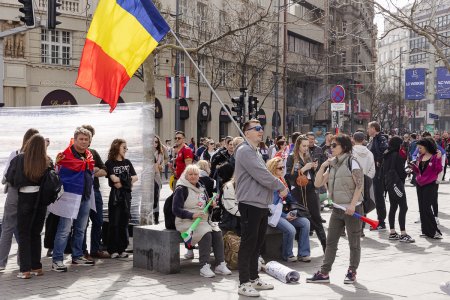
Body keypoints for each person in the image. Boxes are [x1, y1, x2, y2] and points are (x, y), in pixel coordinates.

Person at [234, 119, 288, 297]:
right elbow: (262, 174)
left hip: (260, 203)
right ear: (246, 132)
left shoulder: (255, 151)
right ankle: (243, 282)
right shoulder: (244, 150)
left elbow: (263, 175)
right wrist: (280, 185)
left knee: (257, 243)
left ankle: (253, 278)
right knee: (248, 243)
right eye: (256, 128)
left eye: (261, 128)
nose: (260, 131)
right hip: (250, 202)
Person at [308, 134, 364, 284]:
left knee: (354, 243)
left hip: (353, 210)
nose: (331, 148)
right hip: (337, 209)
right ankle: (324, 273)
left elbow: (360, 184)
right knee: (331, 242)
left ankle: (352, 271)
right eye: (330, 145)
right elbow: (317, 183)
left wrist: (352, 205)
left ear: (344, 147)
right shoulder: (333, 164)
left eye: (334, 146)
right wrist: (323, 165)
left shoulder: (353, 162)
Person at [49, 127, 96, 272]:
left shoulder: (89, 155)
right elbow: (57, 175)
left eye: (86, 139)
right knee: (64, 229)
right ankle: (57, 260)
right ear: (74, 140)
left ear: (89, 141)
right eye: (80, 139)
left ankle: (77, 255)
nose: (83, 142)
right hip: (69, 197)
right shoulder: (64, 156)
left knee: (81, 229)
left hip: (86, 196)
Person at [172, 164, 232, 278]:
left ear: (199, 176)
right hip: (186, 221)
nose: (193, 176)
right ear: (186, 175)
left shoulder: (201, 187)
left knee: (217, 232)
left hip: (202, 220)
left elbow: (203, 205)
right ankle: (204, 265)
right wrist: (192, 215)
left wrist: (210, 204)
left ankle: (220, 264)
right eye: (190, 174)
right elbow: (175, 210)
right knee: (206, 234)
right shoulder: (181, 188)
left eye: (195, 174)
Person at [5, 134, 51, 279]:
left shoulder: (20, 158)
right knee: (36, 234)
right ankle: (37, 267)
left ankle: (25, 270)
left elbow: (10, 178)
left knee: (24, 234)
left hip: (25, 198)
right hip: (41, 200)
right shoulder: (47, 160)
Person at [0, 128, 39, 272]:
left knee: (7, 228)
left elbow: (5, 177)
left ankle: (1, 262)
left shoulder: (15, 154)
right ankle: (22, 261)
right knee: (24, 229)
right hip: (30, 195)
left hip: (13, 193)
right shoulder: (38, 158)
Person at [285, 136, 326, 251]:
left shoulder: (308, 156)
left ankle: (325, 246)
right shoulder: (291, 158)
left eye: (307, 146)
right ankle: (301, 250)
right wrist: (303, 170)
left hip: (310, 189)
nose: (306, 148)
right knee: (301, 218)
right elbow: (289, 177)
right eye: (304, 146)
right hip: (298, 191)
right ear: (298, 145)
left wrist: (314, 168)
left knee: (317, 217)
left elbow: (312, 175)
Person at [267, 157, 311, 262]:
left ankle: (303, 253)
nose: (282, 170)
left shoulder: (283, 180)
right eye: (279, 168)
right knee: (291, 230)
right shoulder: (270, 183)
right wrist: (285, 216)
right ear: (273, 169)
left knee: (305, 222)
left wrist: (294, 212)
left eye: (283, 167)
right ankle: (287, 254)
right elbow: (270, 207)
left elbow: (291, 199)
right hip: (274, 216)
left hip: (286, 212)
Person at [81, 125, 110, 259]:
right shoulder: (73, 152)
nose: (86, 141)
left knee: (98, 221)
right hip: (81, 192)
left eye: (89, 138)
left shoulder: (93, 152)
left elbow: (105, 171)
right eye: (83, 138)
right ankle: (82, 251)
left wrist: (92, 171)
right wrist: (92, 170)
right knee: (83, 223)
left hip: (95, 191)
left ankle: (95, 249)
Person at [105, 139, 138, 258]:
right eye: (124, 147)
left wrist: (122, 181)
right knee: (114, 222)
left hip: (126, 196)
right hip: (115, 196)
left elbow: (135, 178)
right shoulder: (110, 163)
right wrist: (127, 181)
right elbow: (113, 179)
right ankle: (112, 249)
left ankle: (122, 248)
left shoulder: (127, 162)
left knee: (124, 222)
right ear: (117, 147)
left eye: (126, 147)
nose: (126, 150)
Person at [410, 137, 443, 239]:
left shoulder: (435, 156)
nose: (418, 150)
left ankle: (435, 231)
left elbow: (438, 169)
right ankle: (425, 230)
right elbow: (419, 170)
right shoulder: (421, 157)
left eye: (420, 148)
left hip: (430, 184)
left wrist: (438, 158)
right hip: (419, 184)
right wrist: (413, 167)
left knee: (427, 208)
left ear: (426, 147)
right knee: (422, 208)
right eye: (418, 148)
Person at [383, 136, 414, 243]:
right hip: (397, 184)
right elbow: (401, 172)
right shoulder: (397, 155)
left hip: (389, 184)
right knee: (403, 207)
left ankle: (392, 232)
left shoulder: (386, 154)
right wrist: (408, 171)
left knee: (393, 207)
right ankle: (403, 233)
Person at [352, 132, 375, 237]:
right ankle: (361, 229)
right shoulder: (369, 153)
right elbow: (372, 169)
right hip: (365, 180)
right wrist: (367, 178)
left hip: (352, 181)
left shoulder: (350, 152)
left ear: (353, 139)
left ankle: (345, 228)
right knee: (363, 204)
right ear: (364, 140)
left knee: (349, 203)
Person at [367, 121, 388, 230]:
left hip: (379, 173)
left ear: (374, 128)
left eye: (369, 128)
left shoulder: (381, 138)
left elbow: (385, 150)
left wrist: (378, 160)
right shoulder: (373, 139)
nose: (367, 130)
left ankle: (381, 222)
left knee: (379, 197)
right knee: (376, 196)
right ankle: (380, 220)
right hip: (374, 173)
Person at [154, 135, 167, 224]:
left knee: (156, 197)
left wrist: (162, 165)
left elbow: (166, 158)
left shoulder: (161, 152)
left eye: (156, 142)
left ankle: (156, 218)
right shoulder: (147, 152)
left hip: (157, 176)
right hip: (148, 177)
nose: (154, 143)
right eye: (153, 142)